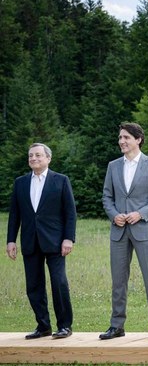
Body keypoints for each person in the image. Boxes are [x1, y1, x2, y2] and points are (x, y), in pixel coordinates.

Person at [100, 122, 148, 341]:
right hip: (119, 231)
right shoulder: (113, 166)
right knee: (118, 281)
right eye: (120, 138)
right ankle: (116, 325)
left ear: (138, 139)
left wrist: (141, 213)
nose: (121, 141)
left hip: (144, 230)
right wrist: (114, 215)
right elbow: (107, 197)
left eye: (126, 138)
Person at [6, 143, 77, 339]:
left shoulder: (61, 180)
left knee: (59, 282)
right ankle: (43, 326)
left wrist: (68, 238)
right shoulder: (20, 182)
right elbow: (15, 215)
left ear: (48, 158)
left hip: (55, 241)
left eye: (38, 155)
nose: (34, 158)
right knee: (34, 286)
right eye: (30, 156)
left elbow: (70, 213)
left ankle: (64, 326)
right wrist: (11, 240)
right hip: (30, 241)